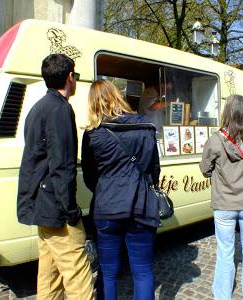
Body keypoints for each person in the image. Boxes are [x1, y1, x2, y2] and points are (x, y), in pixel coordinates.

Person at [17, 54, 94, 299]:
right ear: (70, 77)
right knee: (78, 277)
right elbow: (62, 165)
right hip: (57, 209)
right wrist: (70, 210)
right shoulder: (60, 109)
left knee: (49, 276)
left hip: (41, 205)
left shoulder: (37, 108)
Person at [81, 80, 161, 300]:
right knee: (143, 271)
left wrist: (106, 187)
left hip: (107, 207)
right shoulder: (145, 126)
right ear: (117, 96)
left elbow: (90, 176)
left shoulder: (93, 134)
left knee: (108, 273)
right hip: (141, 205)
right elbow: (154, 169)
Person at [200, 95, 243, 300]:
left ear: (226, 113)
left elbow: (205, 169)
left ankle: (222, 296)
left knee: (225, 253)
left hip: (224, 203)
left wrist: (221, 173)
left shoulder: (215, 140)